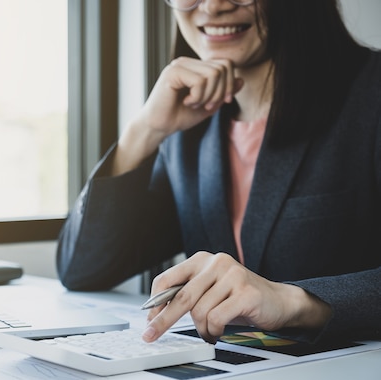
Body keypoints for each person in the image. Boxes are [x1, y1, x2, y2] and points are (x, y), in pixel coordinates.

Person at [56, 0, 381, 345]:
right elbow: (83, 271)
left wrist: (295, 301)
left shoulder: (370, 95)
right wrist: (143, 131)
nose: (212, 6)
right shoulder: (188, 130)